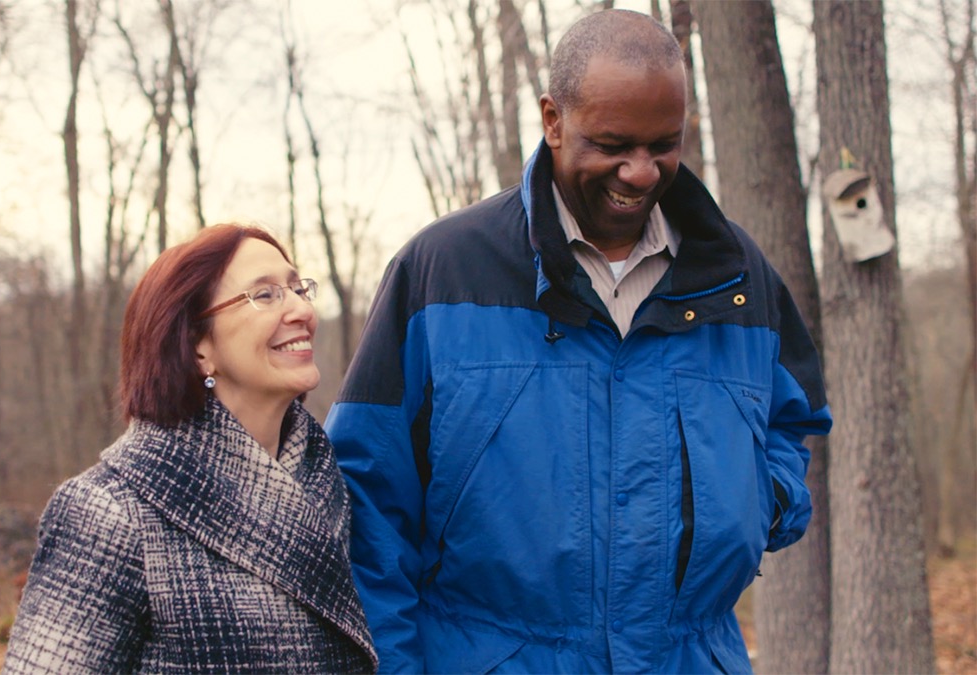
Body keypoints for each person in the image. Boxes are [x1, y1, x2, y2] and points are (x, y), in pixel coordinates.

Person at [324, 9, 831, 674]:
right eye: (614, 144)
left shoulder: (736, 275)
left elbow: (794, 419)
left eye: (664, 144)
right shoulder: (441, 271)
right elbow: (366, 501)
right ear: (553, 120)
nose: (641, 172)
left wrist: (757, 503)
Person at [4, 224, 378, 673]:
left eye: (298, 289)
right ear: (199, 347)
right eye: (265, 295)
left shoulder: (328, 484)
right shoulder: (109, 511)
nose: (301, 309)